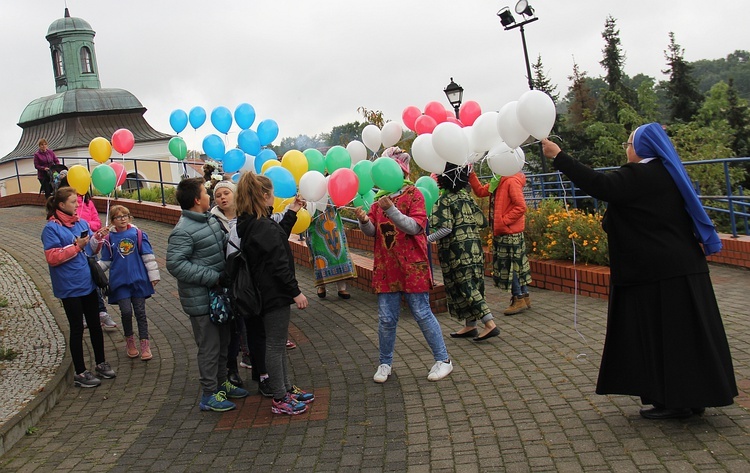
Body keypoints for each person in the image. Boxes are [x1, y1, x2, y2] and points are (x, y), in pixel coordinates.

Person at [541, 123, 737, 420]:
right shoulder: (667, 172)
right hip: (681, 268)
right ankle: (692, 397)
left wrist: (560, 157)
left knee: (666, 338)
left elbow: (600, 185)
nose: (626, 149)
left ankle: (675, 402)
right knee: (686, 338)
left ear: (642, 148)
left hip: (658, 272)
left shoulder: (640, 174)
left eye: (629, 143)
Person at [354, 146, 453, 383]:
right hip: (387, 267)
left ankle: (444, 360)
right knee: (386, 318)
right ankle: (384, 363)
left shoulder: (414, 195)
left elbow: (415, 227)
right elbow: (373, 233)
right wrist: (364, 221)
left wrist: (392, 210)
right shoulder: (378, 203)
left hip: (413, 265)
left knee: (421, 312)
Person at [232, 172, 313, 415]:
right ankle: (280, 397)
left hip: (265, 291)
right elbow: (279, 263)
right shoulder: (262, 225)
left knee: (275, 345)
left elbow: (277, 237)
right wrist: (296, 292)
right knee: (276, 346)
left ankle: (285, 388)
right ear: (265, 195)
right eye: (272, 193)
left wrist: (292, 211)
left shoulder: (252, 222)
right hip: (273, 293)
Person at [166, 177, 249, 412]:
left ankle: (222, 384)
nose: (209, 196)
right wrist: (213, 277)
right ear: (196, 200)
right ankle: (209, 394)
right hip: (202, 301)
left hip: (218, 298)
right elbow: (175, 265)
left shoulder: (210, 220)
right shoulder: (182, 231)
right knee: (210, 348)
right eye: (205, 192)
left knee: (224, 343)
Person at [41, 186, 115, 388]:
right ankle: (80, 372)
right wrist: (77, 246)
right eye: (73, 202)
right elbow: (52, 257)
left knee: (94, 325)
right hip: (68, 286)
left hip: (87, 282)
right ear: (61, 205)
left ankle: (100, 362)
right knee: (76, 328)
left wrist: (97, 239)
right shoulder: (51, 228)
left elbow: (90, 250)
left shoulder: (80, 222)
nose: (77, 205)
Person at [429, 163, 499, 341]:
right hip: (474, 248)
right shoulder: (466, 197)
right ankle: (470, 325)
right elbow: (482, 221)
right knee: (473, 282)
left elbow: (446, 228)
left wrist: (427, 239)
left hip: (456, 251)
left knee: (465, 286)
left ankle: (489, 323)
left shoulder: (444, 201)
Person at [99, 205, 160, 361]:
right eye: (119, 217)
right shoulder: (108, 239)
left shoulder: (138, 234)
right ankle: (130, 341)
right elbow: (106, 261)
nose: (123, 219)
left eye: (125, 216)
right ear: (112, 220)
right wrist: (93, 272)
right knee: (126, 312)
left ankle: (145, 344)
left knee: (140, 312)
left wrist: (153, 276)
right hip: (120, 282)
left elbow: (147, 256)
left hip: (138, 280)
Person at [58, 172, 117, 331]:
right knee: (78, 281)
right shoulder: (61, 214)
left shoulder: (87, 202)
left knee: (94, 277)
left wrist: (86, 227)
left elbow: (96, 221)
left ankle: (101, 313)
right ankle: (85, 314)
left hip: (89, 243)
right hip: (73, 250)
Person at [469, 167, 531, 315]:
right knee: (516, 264)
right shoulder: (500, 179)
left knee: (511, 265)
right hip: (505, 230)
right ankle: (524, 296)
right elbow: (481, 191)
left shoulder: (510, 180)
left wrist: (503, 221)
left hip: (508, 231)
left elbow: (521, 206)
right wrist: (471, 174)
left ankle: (518, 298)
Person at [210, 180, 246, 387]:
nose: (222, 198)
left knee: (246, 324)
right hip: (226, 280)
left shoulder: (245, 216)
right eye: (218, 195)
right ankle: (231, 368)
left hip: (246, 278)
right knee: (232, 327)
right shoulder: (213, 221)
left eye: (226, 193)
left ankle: (254, 362)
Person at [307, 200, 357, 299]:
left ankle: (341, 287)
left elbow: (341, 202)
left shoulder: (330, 189)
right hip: (315, 225)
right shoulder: (308, 190)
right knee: (319, 255)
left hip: (333, 223)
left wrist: (339, 203)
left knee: (339, 252)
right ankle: (321, 286)